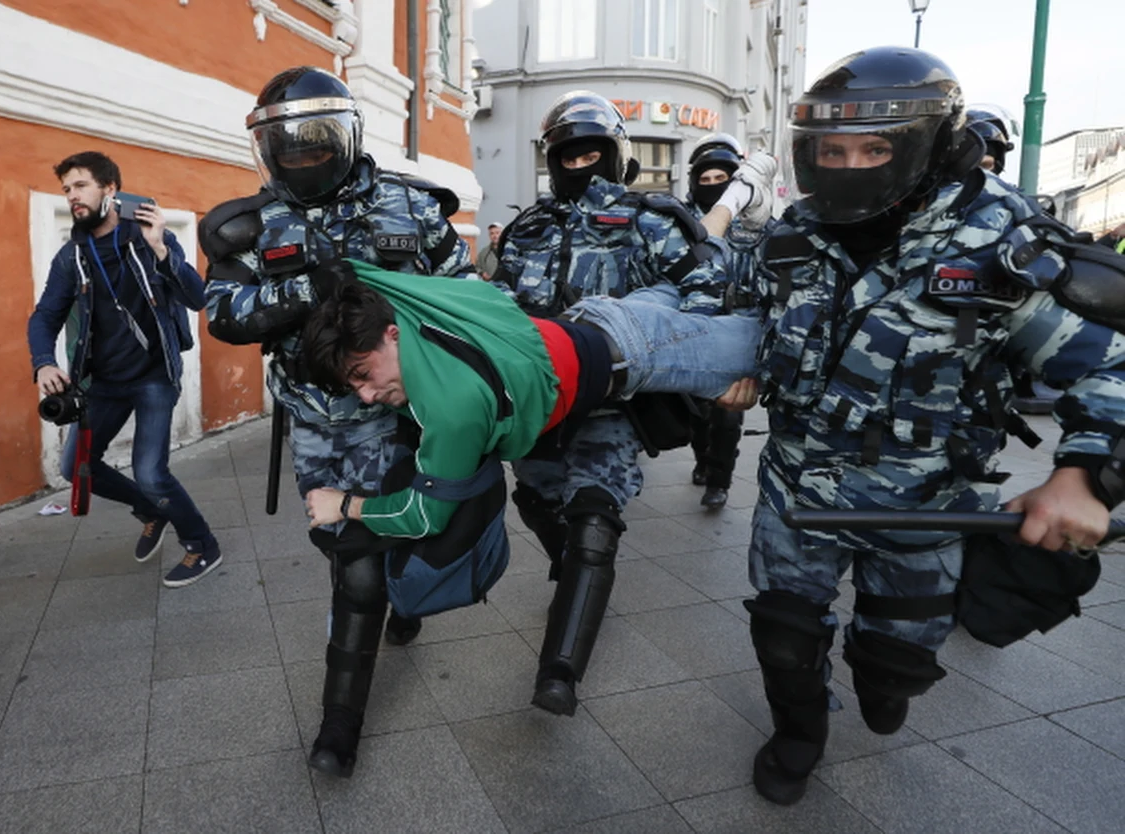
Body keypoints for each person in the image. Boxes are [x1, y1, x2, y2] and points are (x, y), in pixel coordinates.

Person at [729, 47, 1125, 807]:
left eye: (874, 148)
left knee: (895, 665)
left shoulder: (1000, 244)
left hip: (925, 503)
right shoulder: (793, 235)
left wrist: (1081, 476)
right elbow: (741, 316)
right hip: (797, 487)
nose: (848, 167)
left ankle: (884, 676)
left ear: (927, 145)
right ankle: (798, 732)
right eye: (831, 150)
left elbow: (1110, 366)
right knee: (782, 632)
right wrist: (735, 370)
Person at [199, 66, 473, 779]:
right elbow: (223, 316)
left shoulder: (412, 209)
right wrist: (305, 286)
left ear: (344, 137)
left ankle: (338, 729)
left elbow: (468, 296)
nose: (302, 155)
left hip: (396, 416)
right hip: (316, 423)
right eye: (286, 143)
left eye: (315, 140)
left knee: (362, 568)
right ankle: (391, 591)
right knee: (345, 549)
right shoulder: (249, 226)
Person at [490, 90, 772, 717]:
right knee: (536, 497)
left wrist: (704, 367)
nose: (580, 164)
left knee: (596, 512)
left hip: (615, 399)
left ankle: (559, 671)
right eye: (568, 154)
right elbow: (498, 306)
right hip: (539, 396)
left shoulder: (652, 219)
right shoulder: (526, 229)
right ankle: (571, 568)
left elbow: (702, 291)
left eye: (592, 151)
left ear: (616, 155)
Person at [299, 261, 761, 535]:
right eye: (351, 386)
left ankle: (744, 196)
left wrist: (343, 505)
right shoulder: (400, 298)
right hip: (597, 315)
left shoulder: (452, 409)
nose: (366, 395)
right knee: (677, 281)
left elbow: (423, 515)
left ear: (392, 335)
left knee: (775, 346)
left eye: (363, 373)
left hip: (640, 351)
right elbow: (348, 273)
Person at [27, 151, 220, 588]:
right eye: (66, 190)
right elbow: (44, 316)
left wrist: (161, 249)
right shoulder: (70, 257)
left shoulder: (146, 236)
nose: (72, 197)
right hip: (102, 382)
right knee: (76, 464)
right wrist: (43, 362)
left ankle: (202, 544)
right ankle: (152, 510)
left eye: (80, 186)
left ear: (109, 190)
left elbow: (197, 297)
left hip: (154, 374)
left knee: (151, 472)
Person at [683, 132, 752, 509]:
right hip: (695, 328)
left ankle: (719, 481)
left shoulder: (755, 221)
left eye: (720, 179)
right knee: (697, 410)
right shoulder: (681, 221)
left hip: (737, 326)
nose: (712, 186)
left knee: (728, 413)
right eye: (705, 180)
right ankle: (701, 460)